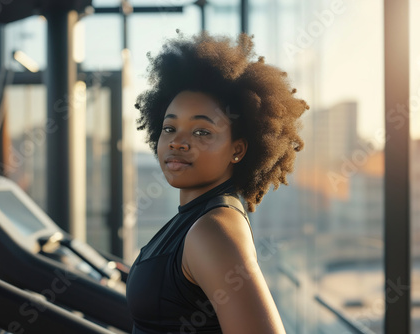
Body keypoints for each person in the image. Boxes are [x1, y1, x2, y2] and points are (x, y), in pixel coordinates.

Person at [126, 30, 309, 334]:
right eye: (169, 128)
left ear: (237, 149)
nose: (178, 143)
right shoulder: (197, 217)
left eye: (201, 132)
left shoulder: (212, 230)